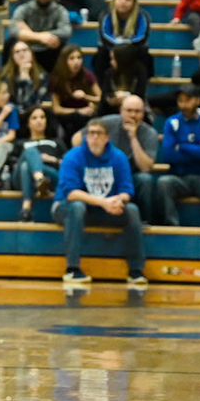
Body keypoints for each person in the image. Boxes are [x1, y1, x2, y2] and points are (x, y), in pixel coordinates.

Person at [52, 118, 145, 289]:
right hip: (66, 207)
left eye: (98, 134)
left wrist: (118, 201)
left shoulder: (118, 157)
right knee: (77, 207)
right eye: (91, 134)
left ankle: (136, 270)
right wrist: (103, 202)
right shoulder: (73, 156)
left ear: (107, 138)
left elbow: (127, 191)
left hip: (103, 208)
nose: (94, 137)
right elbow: (71, 194)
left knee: (132, 210)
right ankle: (72, 269)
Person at [155, 85, 200, 228]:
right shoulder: (172, 122)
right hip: (179, 177)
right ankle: (172, 227)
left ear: (198, 100)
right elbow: (168, 156)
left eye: (188, 100)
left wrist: (182, 146)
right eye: (180, 100)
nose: (183, 105)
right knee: (163, 182)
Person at [106, 94, 161, 226]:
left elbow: (145, 167)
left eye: (137, 111)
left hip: (133, 176)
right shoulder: (107, 123)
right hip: (106, 173)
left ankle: (145, 221)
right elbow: (76, 139)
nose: (133, 115)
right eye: (129, 111)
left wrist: (133, 138)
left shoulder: (150, 133)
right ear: (121, 111)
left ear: (143, 114)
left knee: (145, 179)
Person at [91, 0, 150, 90]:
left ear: (134, 2)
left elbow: (141, 37)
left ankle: (140, 92)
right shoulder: (106, 15)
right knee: (100, 55)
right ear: (114, 0)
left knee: (145, 56)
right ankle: (103, 91)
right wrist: (120, 46)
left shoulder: (142, 16)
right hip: (110, 50)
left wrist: (125, 47)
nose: (123, 2)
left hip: (133, 51)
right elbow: (105, 36)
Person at [8, 0, 71, 71]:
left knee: (62, 45)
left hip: (49, 47)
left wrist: (31, 34)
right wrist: (40, 37)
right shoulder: (24, 9)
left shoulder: (60, 10)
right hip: (28, 46)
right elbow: (13, 30)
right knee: (10, 44)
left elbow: (66, 31)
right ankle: (8, 77)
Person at [13, 104, 62, 221]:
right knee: (28, 158)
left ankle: (26, 208)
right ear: (28, 123)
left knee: (26, 166)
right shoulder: (21, 143)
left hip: (51, 175)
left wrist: (51, 159)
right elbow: (13, 165)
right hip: (21, 178)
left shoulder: (56, 142)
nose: (39, 121)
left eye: (42, 117)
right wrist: (35, 160)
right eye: (34, 118)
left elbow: (67, 164)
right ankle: (39, 179)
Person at [47, 45, 100, 148]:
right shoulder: (57, 79)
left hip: (86, 114)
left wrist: (86, 97)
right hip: (67, 116)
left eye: (79, 58)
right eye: (72, 58)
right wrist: (78, 111)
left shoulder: (87, 75)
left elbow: (100, 98)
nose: (76, 62)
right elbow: (56, 109)